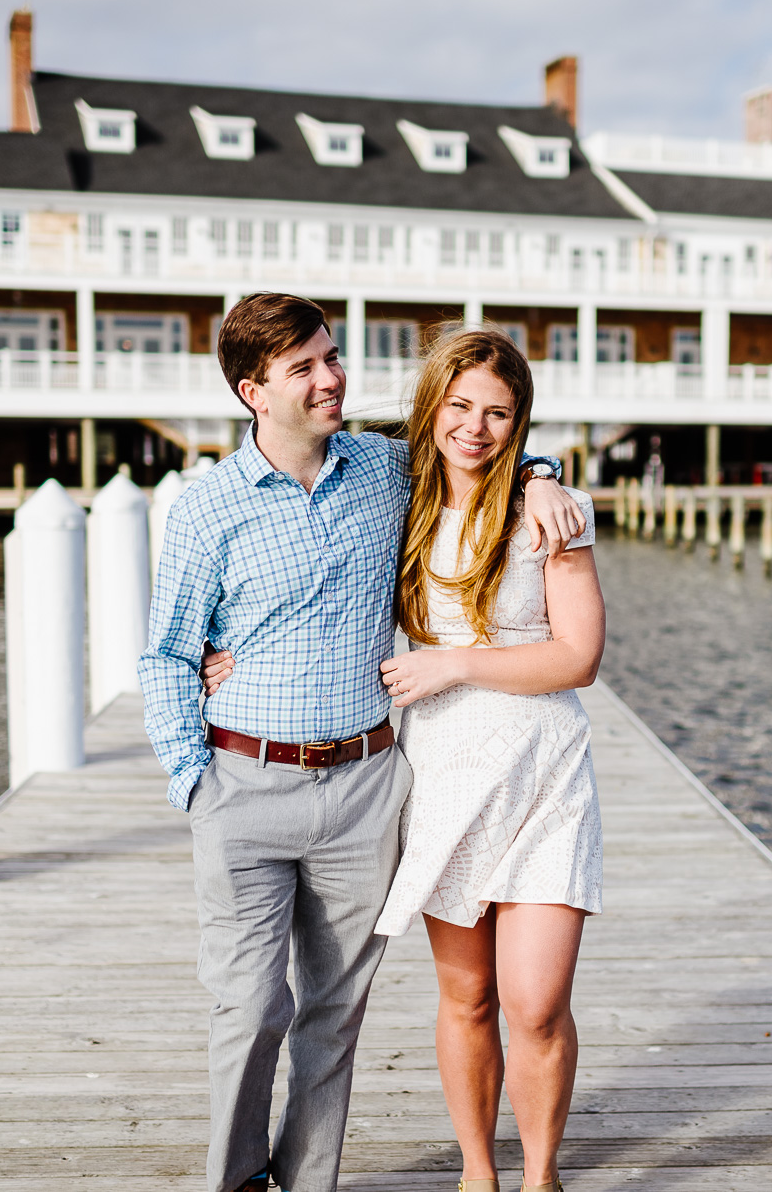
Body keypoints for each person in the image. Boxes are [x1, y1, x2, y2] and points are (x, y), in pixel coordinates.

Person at [139, 292, 585, 1192]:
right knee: (250, 1007)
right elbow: (167, 655)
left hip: (366, 786)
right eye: (304, 366)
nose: (331, 376)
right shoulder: (207, 510)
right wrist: (195, 780)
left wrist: (542, 473)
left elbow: (476, 434)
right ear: (252, 390)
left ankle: (310, 1185)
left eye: (331, 357)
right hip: (244, 784)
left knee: (334, 1014)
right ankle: (232, 1180)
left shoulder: (386, 470)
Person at [376, 328, 604, 1192]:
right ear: (433, 405)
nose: (476, 427)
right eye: (461, 405)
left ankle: (540, 1175)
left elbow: (577, 657)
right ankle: (479, 1173)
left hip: (545, 776)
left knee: (535, 1004)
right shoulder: (396, 498)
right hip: (445, 778)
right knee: (467, 998)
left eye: (499, 414)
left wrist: (459, 660)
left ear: (521, 421)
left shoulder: (551, 513)